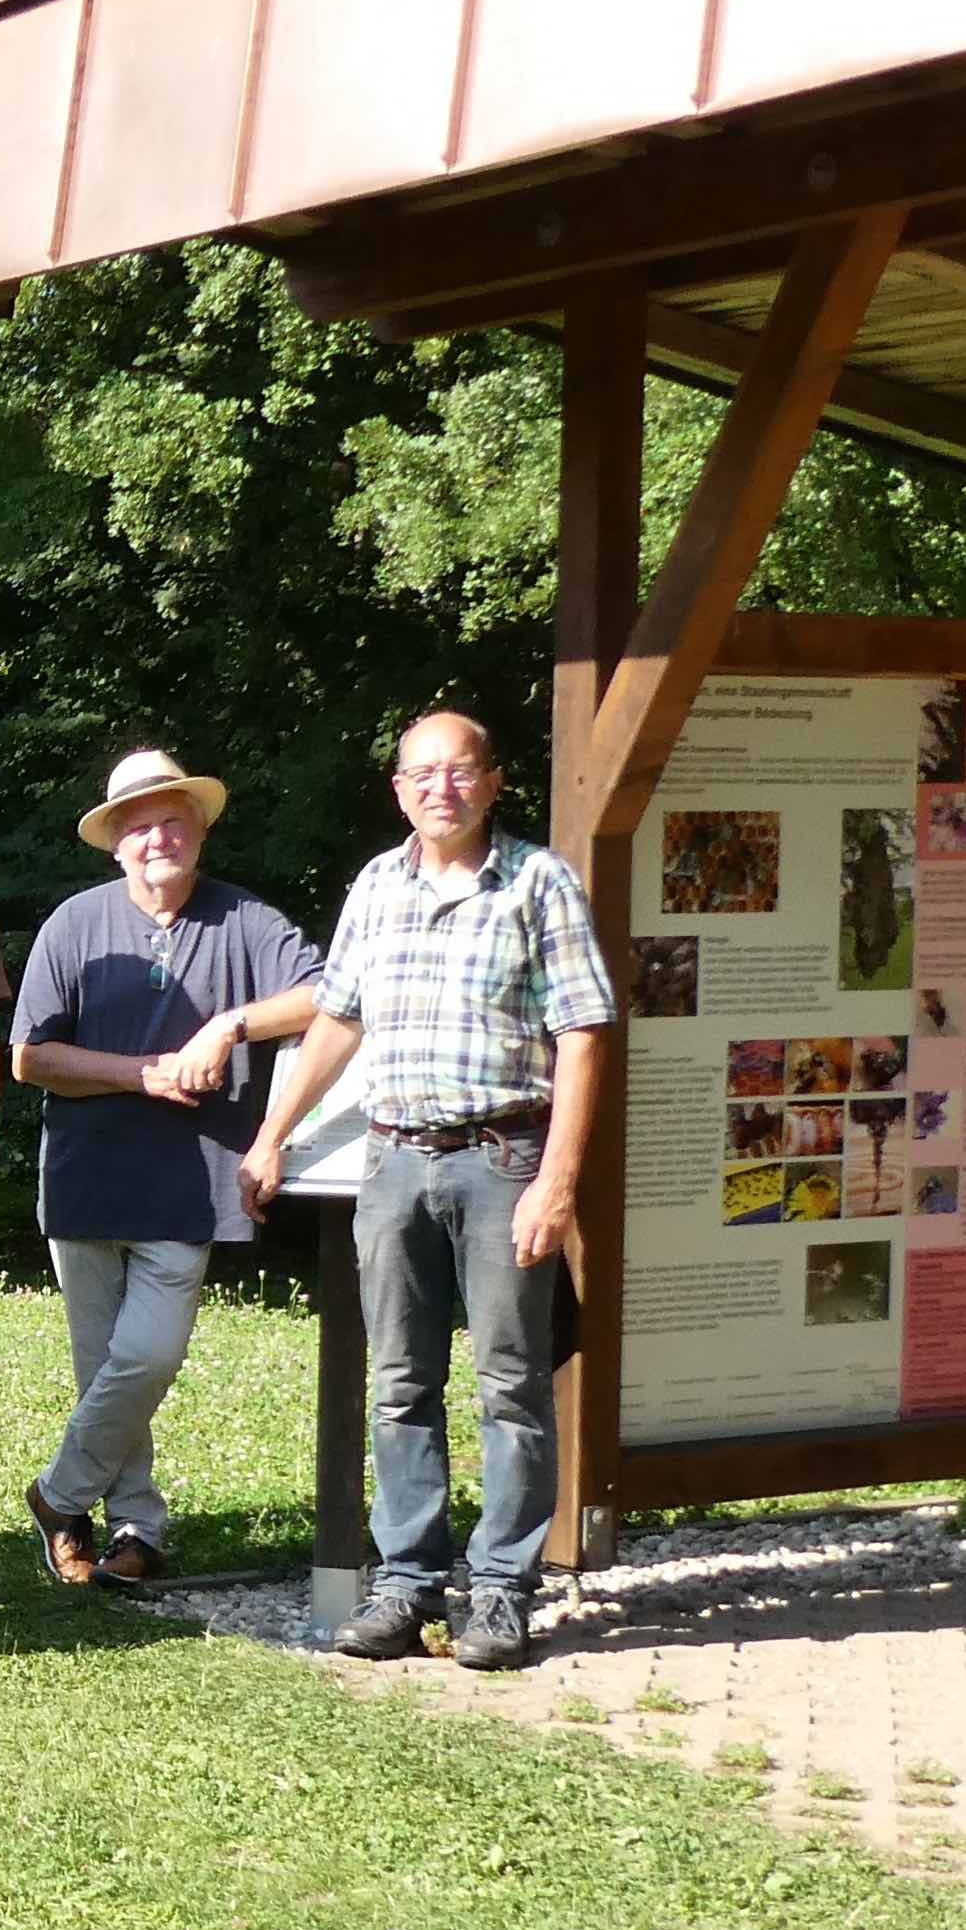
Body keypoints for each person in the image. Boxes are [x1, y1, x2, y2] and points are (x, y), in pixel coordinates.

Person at [241, 708, 622, 1672]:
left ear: (493, 782)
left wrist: (557, 1182)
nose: (439, 789)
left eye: (458, 772)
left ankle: (500, 1591)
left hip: (502, 1160)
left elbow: (583, 1036)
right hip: (393, 1162)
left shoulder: (539, 882)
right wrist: (273, 1136)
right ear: (399, 790)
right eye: (421, 774)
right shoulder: (378, 884)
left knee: (512, 1384)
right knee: (401, 1383)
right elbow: (338, 1020)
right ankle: (406, 1586)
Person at [8, 744, 328, 1593]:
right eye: (140, 826)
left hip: (194, 1185)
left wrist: (229, 1025)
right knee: (103, 1371)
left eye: (173, 821)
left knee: (146, 1357)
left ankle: (58, 1496)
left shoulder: (245, 920)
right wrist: (141, 1074)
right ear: (116, 843)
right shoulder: (74, 924)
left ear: (200, 830)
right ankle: (135, 1525)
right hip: (85, 1181)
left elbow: (330, 995)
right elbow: (30, 1058)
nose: (158, 838)